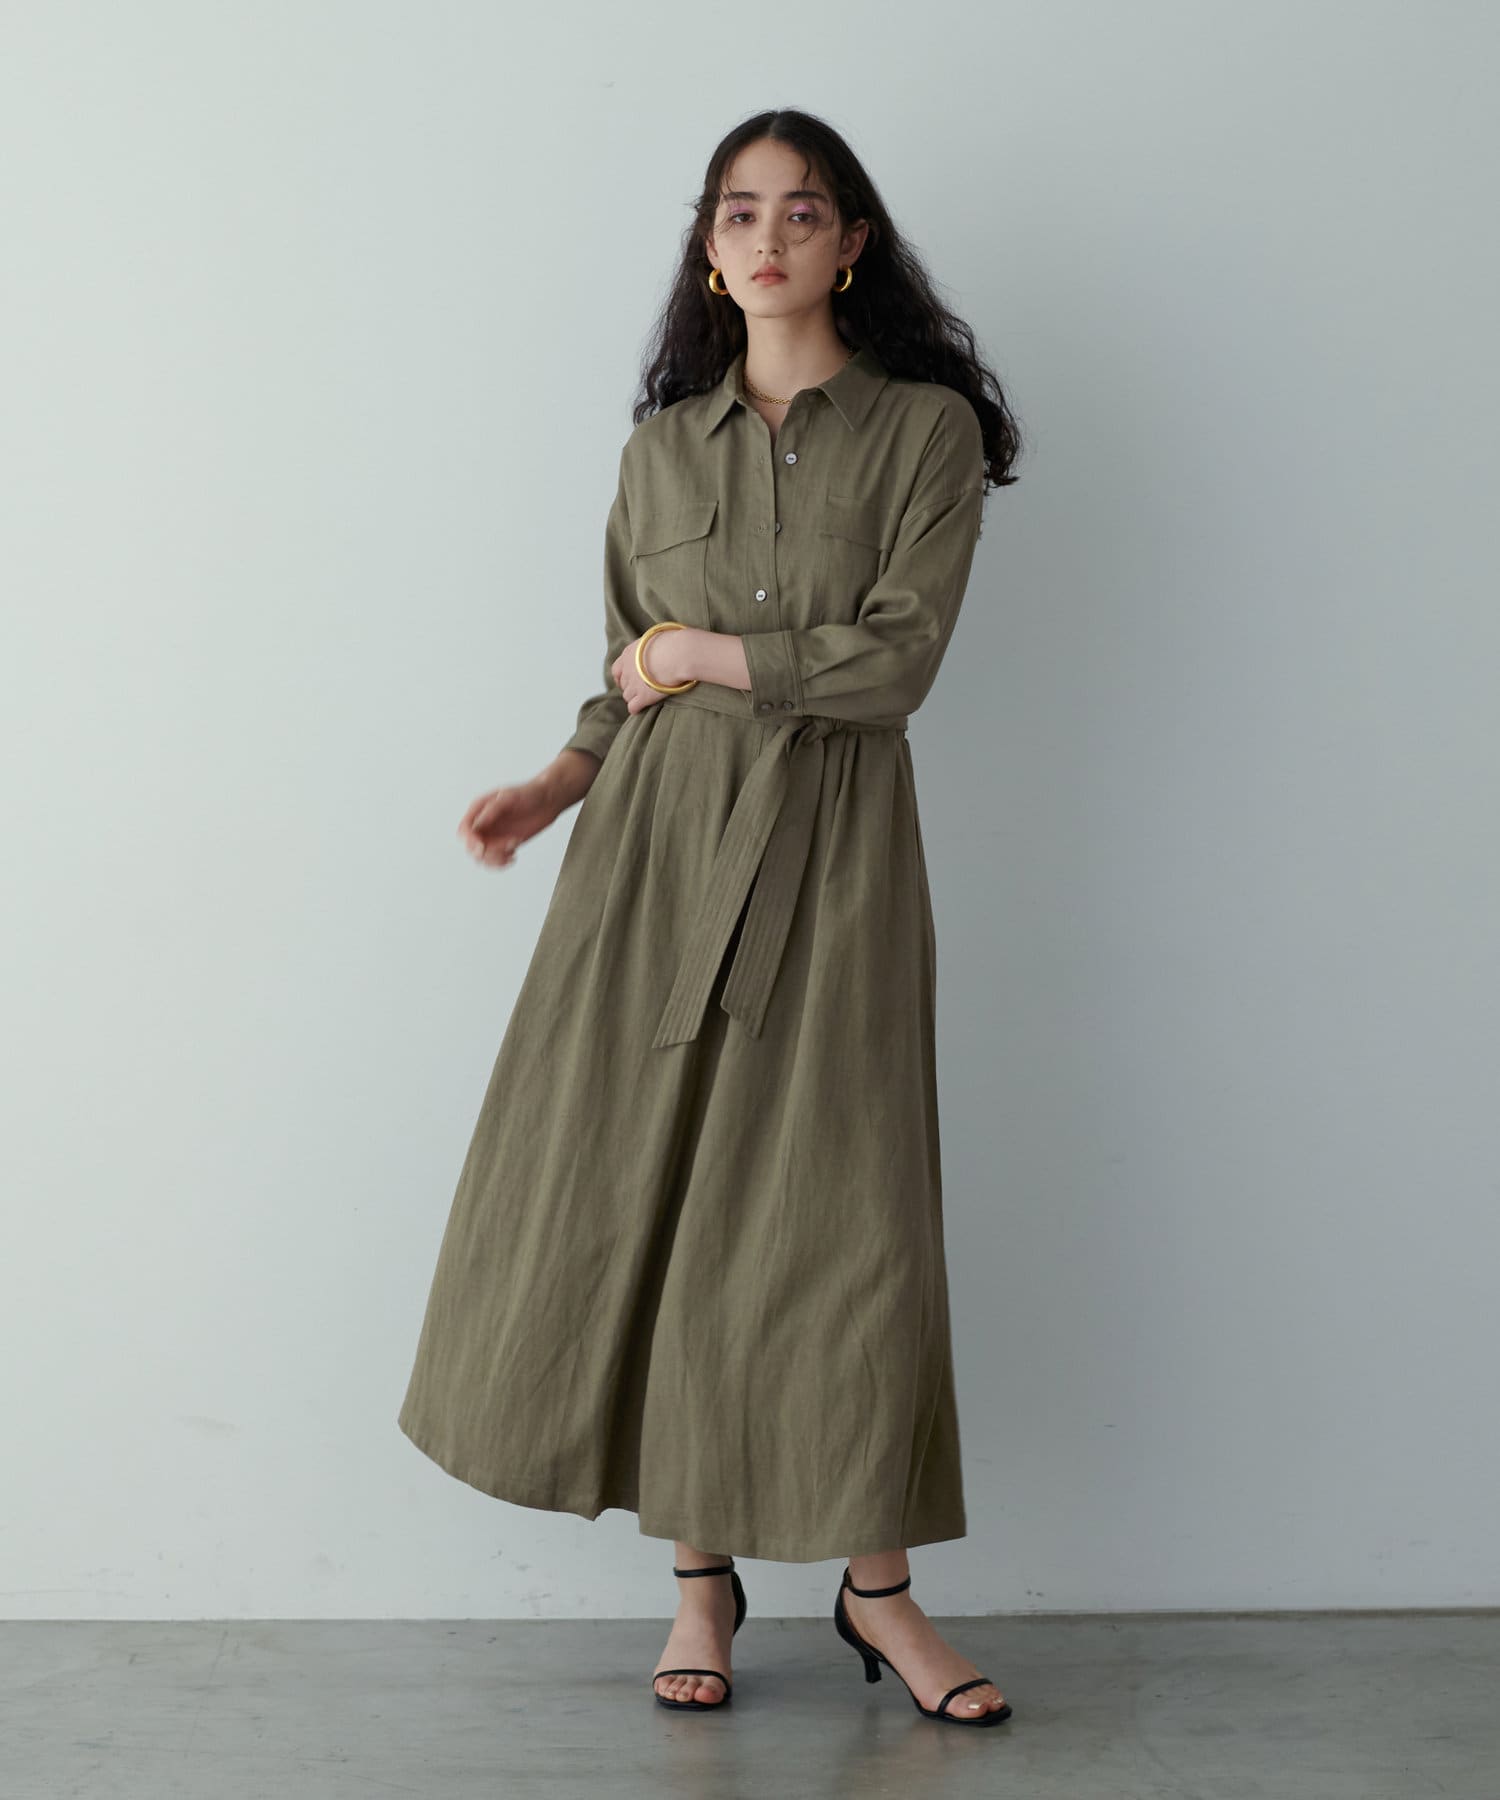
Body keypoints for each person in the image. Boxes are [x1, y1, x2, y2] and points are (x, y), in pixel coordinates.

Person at [397, 107, 1024, 1726]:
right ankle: (700, 1583)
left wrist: (699, 658)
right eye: (739, 211)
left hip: (834, 848)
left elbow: (895, 663)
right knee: (662, 1195)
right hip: (656, 856)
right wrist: (555, 784)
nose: (768, 237)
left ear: (852, 244)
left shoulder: (924, 433)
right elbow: (622, 667)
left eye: (803, 212)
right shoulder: (661, 449)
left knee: (842, 1219)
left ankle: (878, 1591)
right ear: (707, 245)